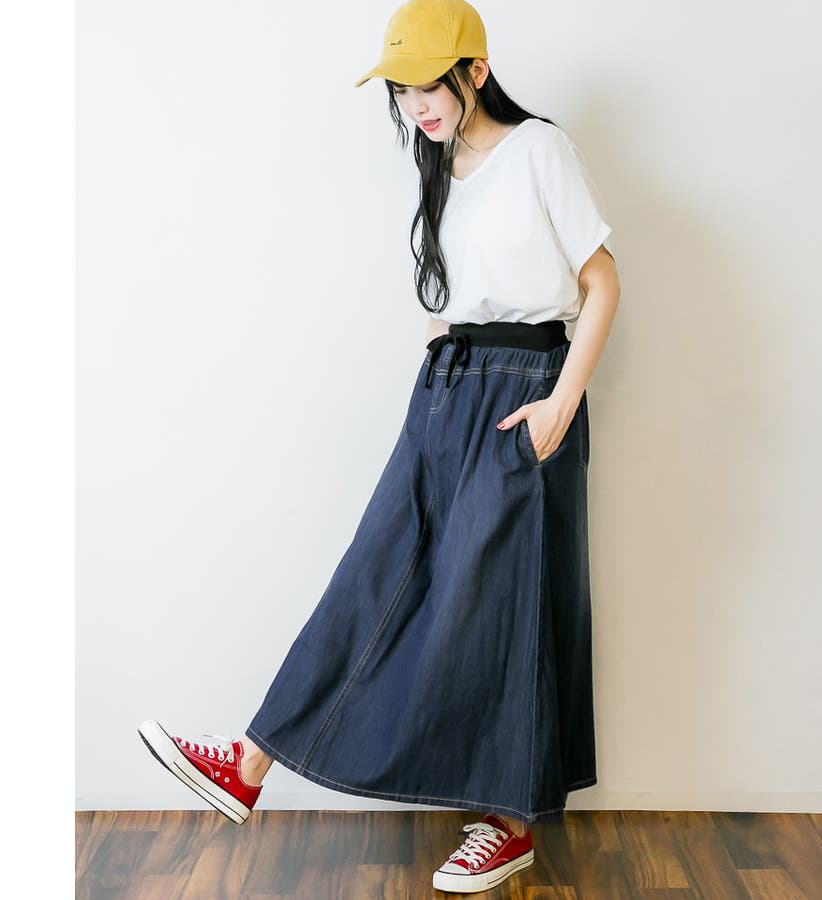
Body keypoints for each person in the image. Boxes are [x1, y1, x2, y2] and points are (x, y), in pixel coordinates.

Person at [138, 0, 621, 893]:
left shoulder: (540, 151)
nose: (414, 106)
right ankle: (248, 763)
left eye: (427, 86)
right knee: (376, 570)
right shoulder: (440, 168)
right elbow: (455, 300)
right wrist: (438, 391)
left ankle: (509, 820)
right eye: (399, 91)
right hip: (446, 391)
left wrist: (560, 405)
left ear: (476, 72)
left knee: (503, 600)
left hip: (525, 393)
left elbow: (602, 282)